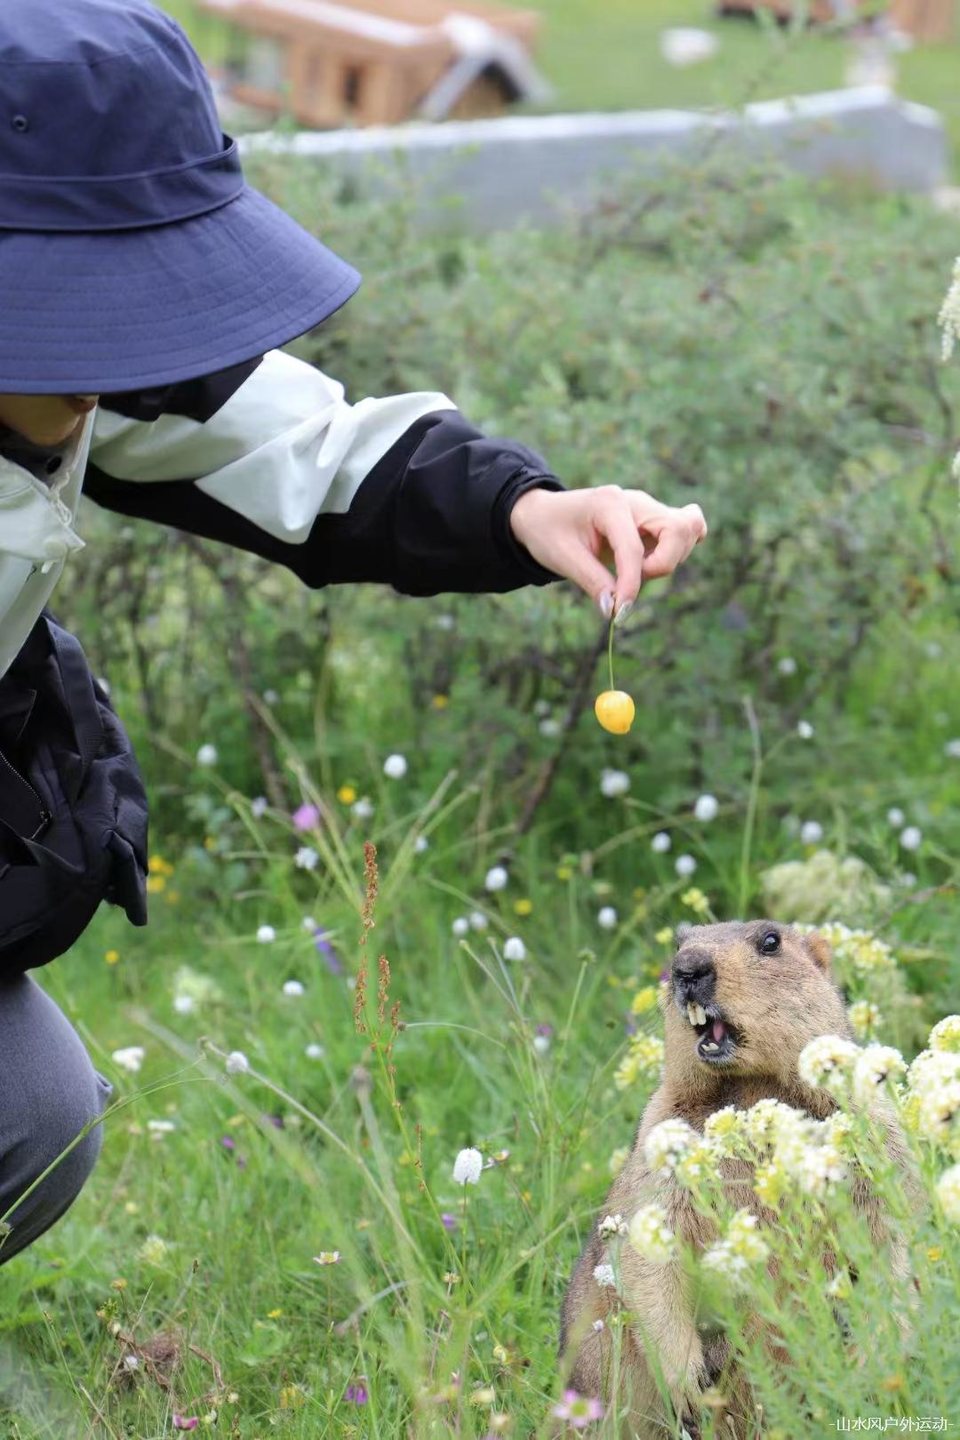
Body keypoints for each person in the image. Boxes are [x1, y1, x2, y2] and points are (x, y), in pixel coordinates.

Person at [0, 0, 707, 1264]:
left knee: (28, 1116)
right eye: (93, 288)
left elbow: (293, 446)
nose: (126, 348)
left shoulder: (74, 364)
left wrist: (530, 510)